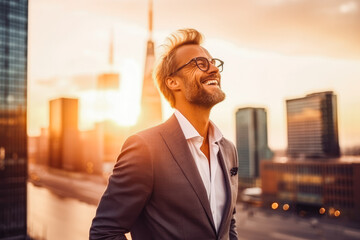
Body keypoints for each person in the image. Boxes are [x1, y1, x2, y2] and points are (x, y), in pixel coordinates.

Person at [90, 28, 238, 240]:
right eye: (200, 63)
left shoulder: (228, 149)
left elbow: (228, 224)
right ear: (173, 82)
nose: (214, 69)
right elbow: (104, 232)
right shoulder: (145, 148)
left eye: (214, 62)